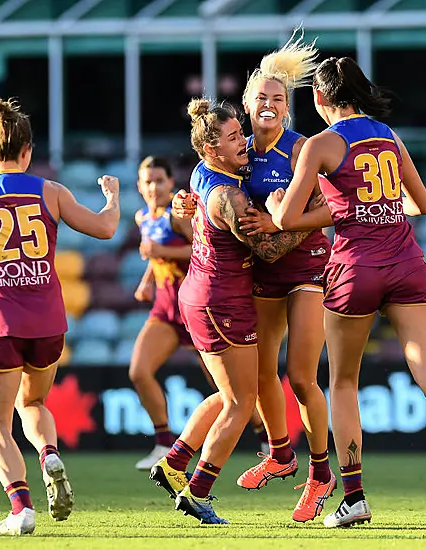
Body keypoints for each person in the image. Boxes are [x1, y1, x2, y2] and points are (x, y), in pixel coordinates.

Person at [266, 57, 426, 530]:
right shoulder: (389, 135)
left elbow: (286, 220)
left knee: (344, 382)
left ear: (321, 98)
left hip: (355, 268)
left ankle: (355, 497)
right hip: (407, 263)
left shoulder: (322, 144)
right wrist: (382, 207)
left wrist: (335, 212)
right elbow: (421, 204)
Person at [0, 98, 121, 535]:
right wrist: (111, 197)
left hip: (0, 325)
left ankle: (21, 508)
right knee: (33, 402)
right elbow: (106, 228)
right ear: (27, 150)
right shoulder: (51, 191)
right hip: (49, 323)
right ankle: (49, 452)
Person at [147, 98, 313, 525]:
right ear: (210, 149)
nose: (244, 141)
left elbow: (192, 205)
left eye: (241, 131)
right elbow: (271, 251)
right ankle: (197, 493)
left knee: (227, 393)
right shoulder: (231, 197)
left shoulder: (204, 175)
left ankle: (174, 461)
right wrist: (312, 218)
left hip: (201, 293)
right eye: (234, 137)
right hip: (222, 299)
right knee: (242, 402)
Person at [233, 33, 336, 523]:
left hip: (310, 268)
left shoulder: (300, 151)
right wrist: (181, 207)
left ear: (288, 109)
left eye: (278, 99)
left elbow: (330, 211)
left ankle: (321, 475)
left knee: (300, 376)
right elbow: (208, 191)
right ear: (248, 106)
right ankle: (280, 455)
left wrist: (279, 222)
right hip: (262, 271)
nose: (269, 105)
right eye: (262, 98)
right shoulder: (237, 152)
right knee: (256, 376)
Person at [130, 155, 269, 471]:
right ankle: (164, 442)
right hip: (166, 309)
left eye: (159, 181)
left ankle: (265, 436)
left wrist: (160, 252)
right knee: (139, 371)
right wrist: (147, 280)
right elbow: (156, 257)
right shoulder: (142, 217)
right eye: (147, 181)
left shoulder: (179, 215)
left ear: (170, 183)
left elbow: (201, 247)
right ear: (139, 186)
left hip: (199, 307)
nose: (153, 187)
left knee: (229, 388)